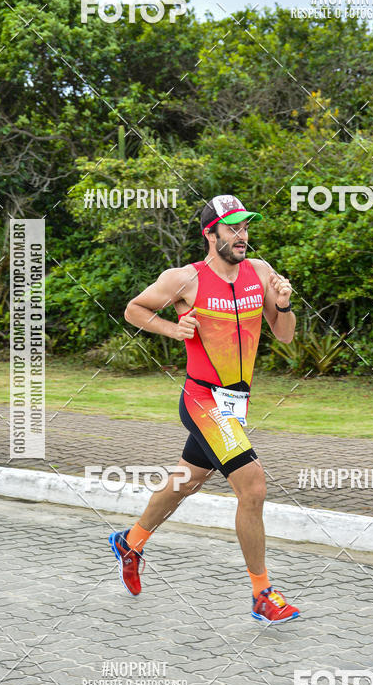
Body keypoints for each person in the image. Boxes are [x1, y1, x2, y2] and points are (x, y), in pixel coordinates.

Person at [109, 194, 300, 623]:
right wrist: (174, 329)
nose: (242, 236)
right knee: (252, 488)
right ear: (210, 234)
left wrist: (284, 303)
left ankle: (131, 542)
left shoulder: (261, 273)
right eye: (232, 228)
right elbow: (134, 309)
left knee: (186, 482)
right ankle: (262, 594)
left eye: (245, 228)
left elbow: (284, 336)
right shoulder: (184, 279)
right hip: (202, 400)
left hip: (236, 402)